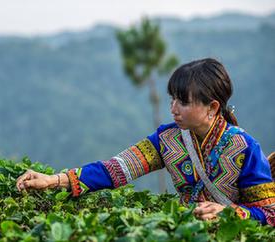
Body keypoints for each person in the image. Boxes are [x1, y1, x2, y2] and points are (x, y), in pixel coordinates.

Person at [16, 58, 274, 226]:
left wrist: (227, 213)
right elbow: (116, 169)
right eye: (172, 99)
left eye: (183, 102)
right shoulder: (167, 139)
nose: (173, 108)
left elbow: (269, 214)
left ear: (212, 107)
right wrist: (53, 180)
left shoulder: (245, 149)